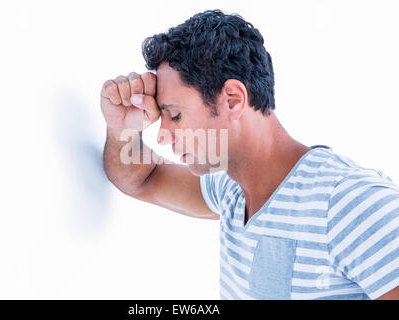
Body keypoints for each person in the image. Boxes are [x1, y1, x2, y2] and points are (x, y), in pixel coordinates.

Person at [100, 10, 398, 299]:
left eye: (174, 115)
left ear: (232, 100)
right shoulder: (230, 190)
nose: (162, 135)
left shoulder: (351, 204)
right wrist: (123, 128)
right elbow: (142, 179)